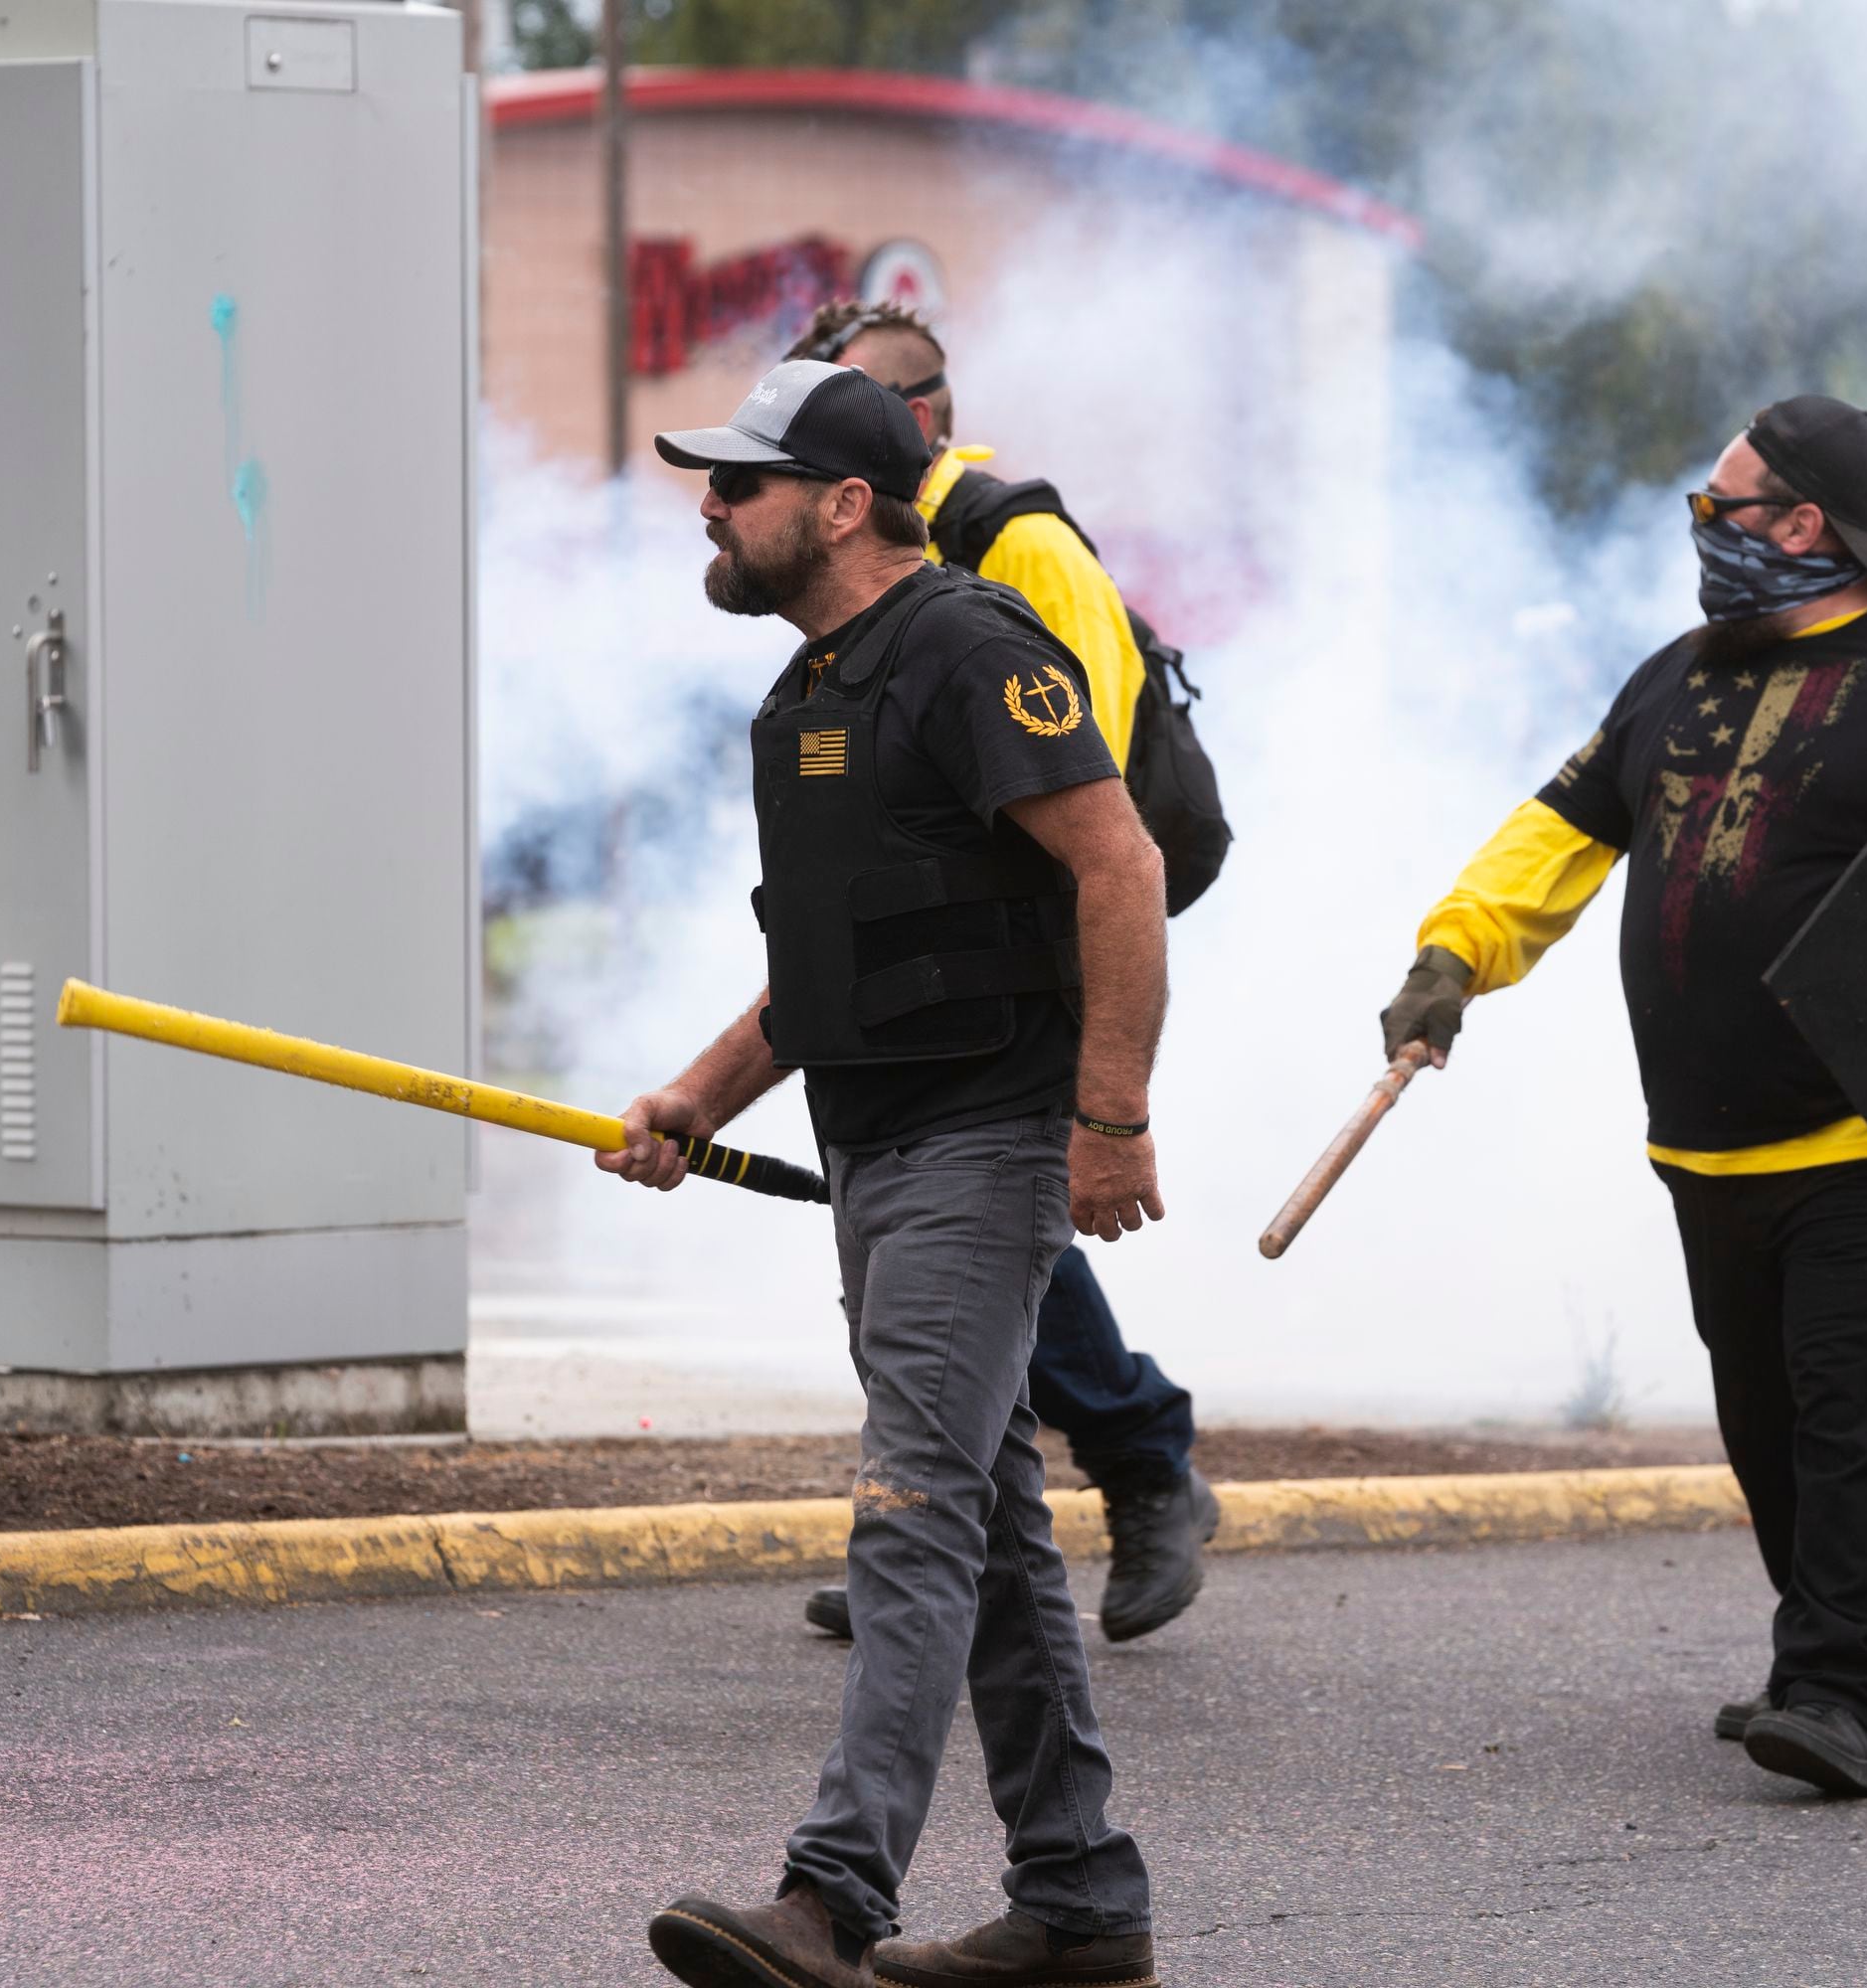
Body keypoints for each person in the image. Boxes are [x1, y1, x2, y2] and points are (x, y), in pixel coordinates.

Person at [1380, 398, 1867, 1799]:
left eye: (1723, 506)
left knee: (1854, 1405)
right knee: (1764, 1416)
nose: (1705, 526)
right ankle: (1818, 1649)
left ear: (1804, 522)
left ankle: (1849, 1696)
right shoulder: (1676, 676)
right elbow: (1559, 834)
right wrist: (1455, 954)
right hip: (1708, 1134)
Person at [621, 358, 1168, 1988]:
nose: (710, 511)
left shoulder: (965, 647)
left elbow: (1117, 860)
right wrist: (695, 1097)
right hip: (871, 1152)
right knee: (988, 1520)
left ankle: (829, 1899)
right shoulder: (805, 698)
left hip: (984, 1148)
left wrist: (1110, 1116)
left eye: (741, 486)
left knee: (911, 1510)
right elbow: (832, 975)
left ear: (844, 504)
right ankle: (1080, 1902)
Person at [779, 298, 1217, 1648]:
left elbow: (1082, 799)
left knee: (974, 1215)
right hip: (946, 942)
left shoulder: (1021, 545)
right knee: (948, 1230)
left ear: (907, 425)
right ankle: (940, 1518)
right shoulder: (885, 559)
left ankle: (1140, 1460)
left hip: (1045, 931)